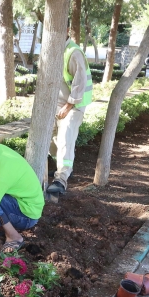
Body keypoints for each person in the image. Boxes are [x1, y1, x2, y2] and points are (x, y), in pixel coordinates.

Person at [47, 28, 92, 195]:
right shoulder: (53, 50)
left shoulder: (73, 52)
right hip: (57, 103)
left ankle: (61, 179)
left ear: (66, 30)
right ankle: (61, 167)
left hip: (74, 104)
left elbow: (80, 83)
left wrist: (68, 106)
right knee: (51, 136)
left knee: (66, 137)